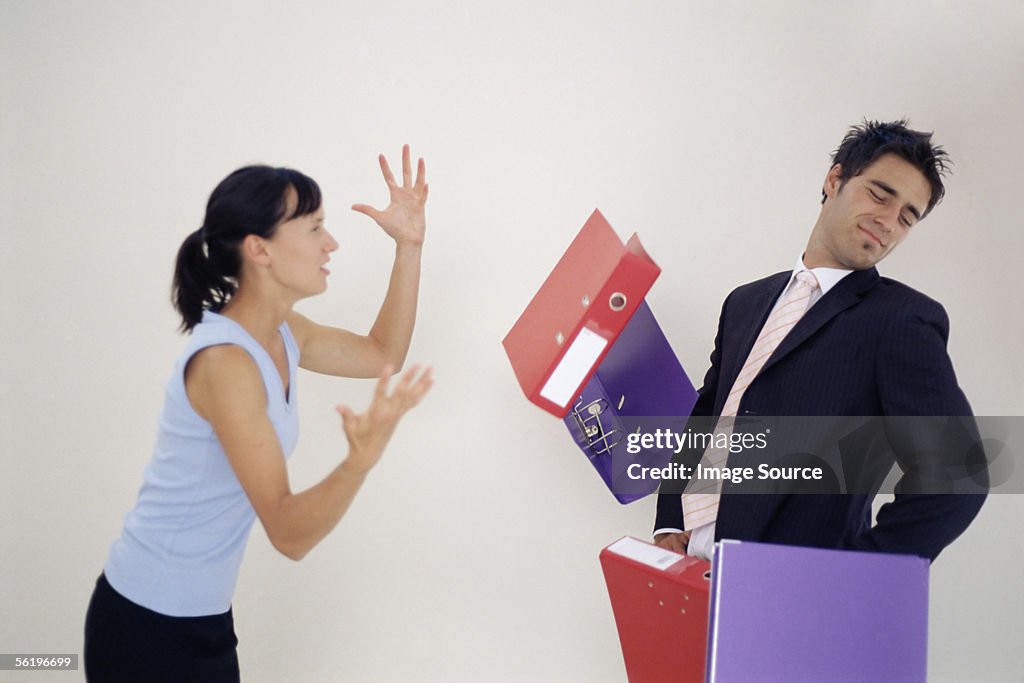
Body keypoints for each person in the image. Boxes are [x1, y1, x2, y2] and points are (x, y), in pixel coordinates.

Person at [84, 145, 432, 682]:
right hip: (145, 627)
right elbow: (289, 534)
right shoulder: (226, 364)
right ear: (260, 249)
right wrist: (357, 463)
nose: (331, 243)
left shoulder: (286, 333)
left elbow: (381, 354)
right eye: (315, 228)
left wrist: (409, 247)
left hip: (205, 621)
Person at [653, 120, 986, 563]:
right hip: (691, 563)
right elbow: (709, 413)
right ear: (835, 179)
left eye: (907, 216)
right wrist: (671, 519)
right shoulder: (745, 302)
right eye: (879, 194)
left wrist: (851, 573)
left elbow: (957, 473)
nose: (888, 221)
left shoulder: (901, 321)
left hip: (795, 586)